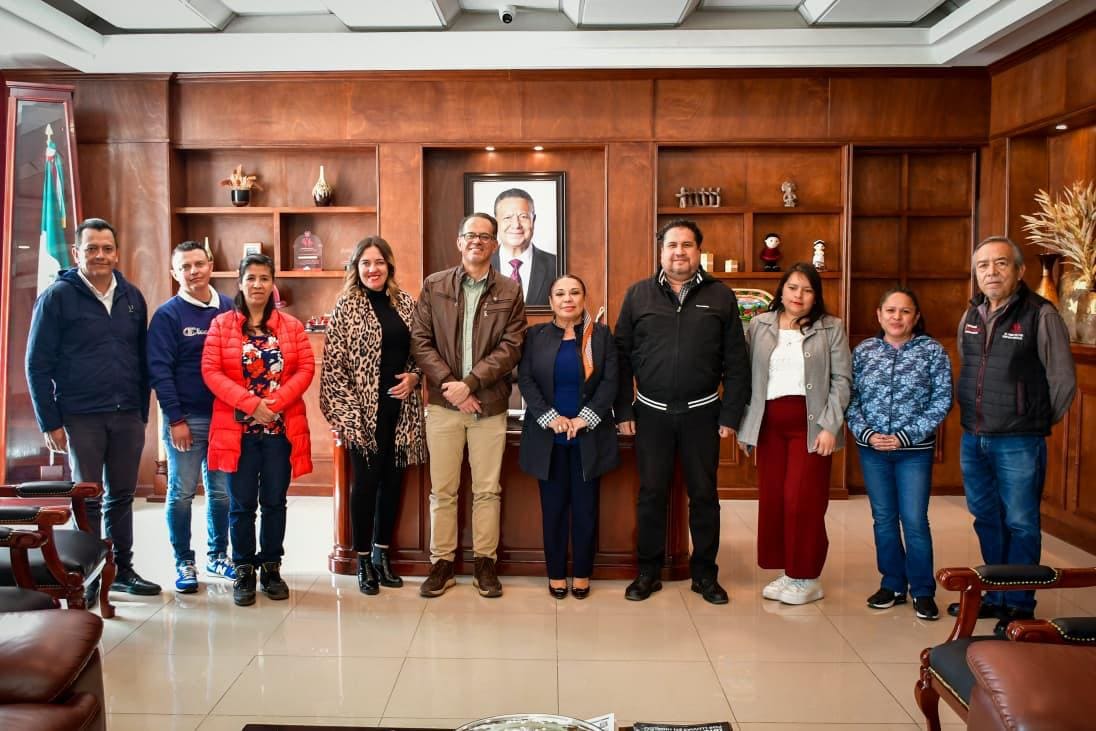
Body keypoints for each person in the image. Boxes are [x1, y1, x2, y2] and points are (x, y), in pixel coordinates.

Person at [614, 218, 749, 605]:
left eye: (687, 245)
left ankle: (704, 575)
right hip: (650, 414)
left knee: (704, 496)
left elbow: (736, 361)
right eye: (672, 245)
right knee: (651, 494)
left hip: (702, 415)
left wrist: (730, 415)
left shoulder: (720, 296)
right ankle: (648, 572)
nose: (679, 252)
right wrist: (623, 410)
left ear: (698, 252)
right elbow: (620, 358)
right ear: (661, 252)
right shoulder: (638, 295)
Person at [26, 217, 161, 598]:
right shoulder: (57, 297)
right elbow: (36, 364)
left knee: (121, 496)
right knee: (88, 498)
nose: (100, 255)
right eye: (91, 248)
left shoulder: (132, 297)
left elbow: (141, 359)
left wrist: (141, 412)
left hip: (127, 414)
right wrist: (49, 421)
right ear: (76, 253)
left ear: (116, 253)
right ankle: (86, 575)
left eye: (106, 248)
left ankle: (122, 570)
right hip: (80, 415)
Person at [951, 235, 1075, 633]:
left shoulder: (1041, 314)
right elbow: (968, 362)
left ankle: (1020, 605)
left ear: (1019, 271)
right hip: (974, 436)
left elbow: (1063, 381)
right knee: (987, 517)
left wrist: (1033, 419)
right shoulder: (971, 314)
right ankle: (994, 594)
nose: (991, 272)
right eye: (983, 265)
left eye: (1001, 263)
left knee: (1021, 522)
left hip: (1019, 440)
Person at [411, 212, 526, 598]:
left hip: (488, 405)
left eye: (485, 236)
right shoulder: (435, 285)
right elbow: (421, 341)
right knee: (442, 490)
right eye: (470, 235)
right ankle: (441, 563)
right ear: (459, 241)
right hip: (443, 405)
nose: (477, 241)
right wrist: (451, 386)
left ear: (495, 245)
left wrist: (471, 384)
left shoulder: (509, 290)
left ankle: (484, 564)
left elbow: (511, 347)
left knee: (487, 490)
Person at [201, 254, 314, 607]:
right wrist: (251, 405)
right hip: (238, 433)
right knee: (241, 505)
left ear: (272, 283)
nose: (258, 284)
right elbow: (211, 372)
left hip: (280, 431)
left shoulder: (291, 326)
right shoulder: (221, 325)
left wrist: (275, 404)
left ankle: (271, 567)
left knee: (275, 502)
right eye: (251, 278)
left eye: (264, 278)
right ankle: (244, 569)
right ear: (240, 282)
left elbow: (306, 369)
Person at [737, 262, 851, 605]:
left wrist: (830, 425)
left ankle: (808, 576)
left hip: (811, 427)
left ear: (816, 295)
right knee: (774, 499)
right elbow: (746, 378)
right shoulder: (759, 325)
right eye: (792, 287)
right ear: (781, 290)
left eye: (807, 289)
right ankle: (790, 571)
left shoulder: (831, 327)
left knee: (802, 500)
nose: (798, 295)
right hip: (768, 426)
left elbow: (842, 380)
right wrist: (745, 427)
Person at [320, 236, 427, 595]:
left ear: (389, 265)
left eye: (379, 262)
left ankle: (382, 555)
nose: (372, 269)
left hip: (402, 412)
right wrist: (350, 418)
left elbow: (421, 351)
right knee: (365, 486)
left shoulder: (406, 303)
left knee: (393, 484)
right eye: (365, 263)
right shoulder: (346, 306)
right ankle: (363, 560)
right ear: (356, 267)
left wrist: (415, 377)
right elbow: (334, 368)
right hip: (363, 416)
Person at [847, 288, 952, 620]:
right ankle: (892, 583)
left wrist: (905, 437)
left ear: (916, 317)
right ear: (879, 315)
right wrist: (867, 434)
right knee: (884, 519)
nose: (897, 317)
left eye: (905, 311)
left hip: (914, 452)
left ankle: (922, 590)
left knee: (915, 520)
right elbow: (850, 398)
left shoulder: (932, 351)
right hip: (873, 450)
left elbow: (942, 400)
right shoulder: (863, 351)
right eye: (890, 310)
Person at [518, 275, 619, 599]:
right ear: (550, 302)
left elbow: (610, 382)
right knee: (554, 510)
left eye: (574, 292)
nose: (568, 299)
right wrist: (550, 418)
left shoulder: (600, 336)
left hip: (588, 437)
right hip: (549, 438)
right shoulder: (535, 336)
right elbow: (526, 380)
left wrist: (585, 418)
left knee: (586, 510)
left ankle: (583, 573)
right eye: (560, 294)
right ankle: (556, 573)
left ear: (584, 298)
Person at [148, 240, 236, 594]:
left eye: (198, 264)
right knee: (181, 493)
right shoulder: (167, 315)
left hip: (225, 419)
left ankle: (218, 556)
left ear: (210, 265)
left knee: (222, 493)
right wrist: (176, 419)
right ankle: (184, 561)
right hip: (187, 419)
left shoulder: (228, 307)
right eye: (185, 267)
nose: (193, 271)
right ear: (175, 273)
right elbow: (160, 371)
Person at [489, 188, 557, 306]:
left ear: (533, 220)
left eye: (523, 217)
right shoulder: (481, 266)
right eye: (507, 217)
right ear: (496, 223)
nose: (516, 225)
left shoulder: (557, 265)